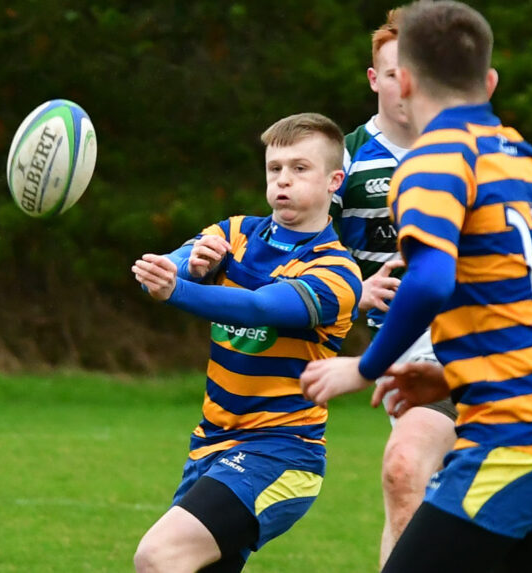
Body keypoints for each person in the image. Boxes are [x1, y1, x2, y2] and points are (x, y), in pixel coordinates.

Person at [299, 3, 532, 572]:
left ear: (403, 81)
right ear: (490, 82)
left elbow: (431, 281)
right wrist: (452, 371)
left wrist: (362, 367)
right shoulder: (529, 162)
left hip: (516, 438)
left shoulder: (433, 162)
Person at [131, 113, 363, 573]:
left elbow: (259, 308)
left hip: (280, 453)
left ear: (335, 180)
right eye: (274, 168)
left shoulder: (338, 273)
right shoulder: (235, 232)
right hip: (210, 445)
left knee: (158, 557)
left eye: (300, 168)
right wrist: (188, 269)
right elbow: (163, 273)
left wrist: (177, 290)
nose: (283, 180)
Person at [332, 8, 458, 565]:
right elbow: (302, 250)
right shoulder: (343, 158)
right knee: (424, 489)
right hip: (403, 356)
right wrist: (354, 288)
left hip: (484, 345)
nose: (404, 87)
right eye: (392, 74)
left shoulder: (473, 151)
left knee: (411, 474)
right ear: (373, 79)